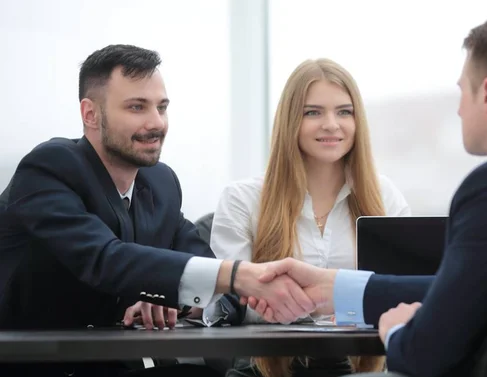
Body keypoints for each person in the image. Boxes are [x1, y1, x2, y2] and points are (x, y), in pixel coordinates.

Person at [247, 10, 487, 377]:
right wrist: (337, 288)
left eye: (463, 90)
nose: (460, 109)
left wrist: (396, 330)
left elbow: (423, 354)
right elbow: (470, 287)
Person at [0, 44, 315, 377]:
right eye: (137, 107)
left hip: (112, 365)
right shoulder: (49, 168)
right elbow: (104, 259)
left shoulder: (160, 184)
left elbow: (204, 269)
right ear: (90, 114)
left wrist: (177, 297)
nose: (156, 123)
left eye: (161, 107)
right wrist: (240, 276)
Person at [209, 58, 410, 377]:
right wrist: (337, 303)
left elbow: (403, 294)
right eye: (312, 112)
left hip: (363, 370)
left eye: (344, 111)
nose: (331, 124)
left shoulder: (385, 196)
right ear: (290, 120)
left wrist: (302, 302)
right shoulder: (243, 199)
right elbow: (230, 302)